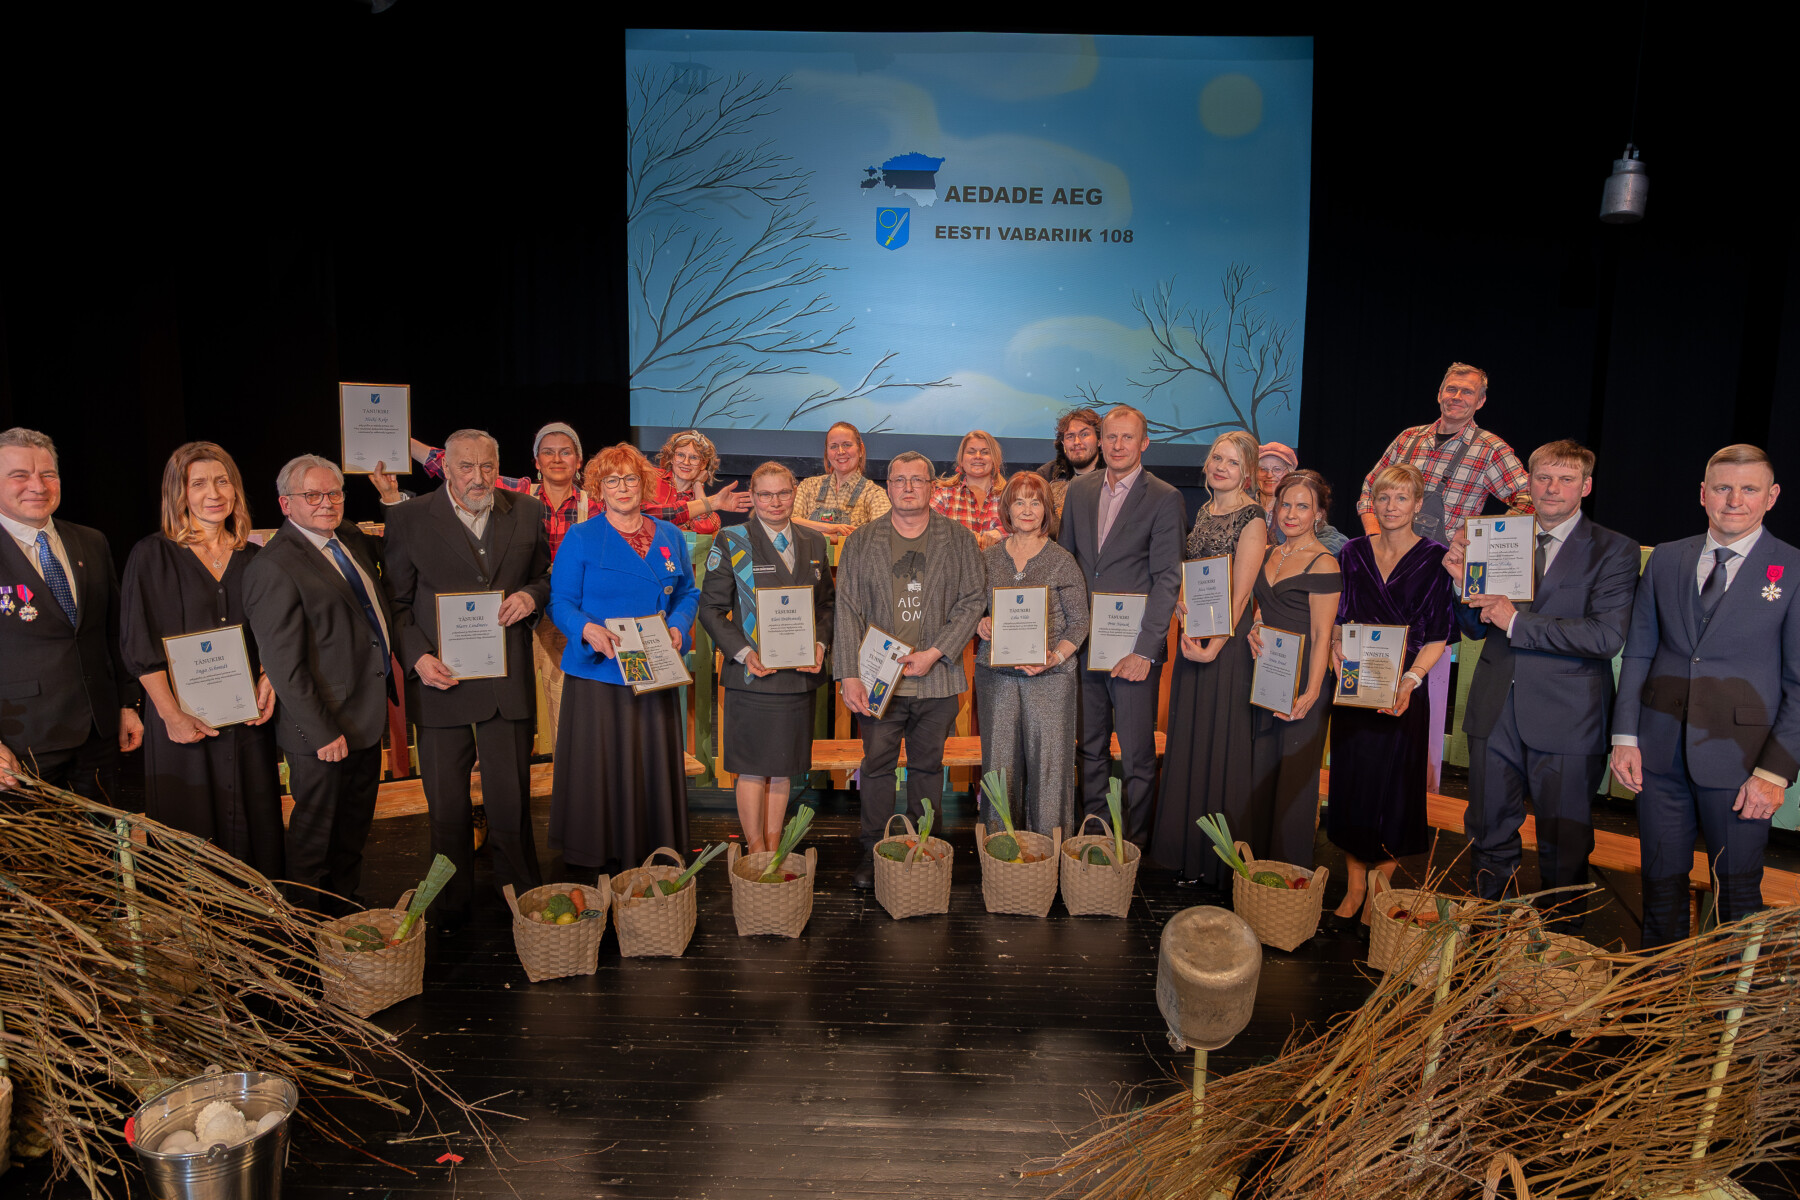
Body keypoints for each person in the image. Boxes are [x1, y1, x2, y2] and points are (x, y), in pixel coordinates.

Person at [1439, 441, 1639, 929]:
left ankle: (1558, 949)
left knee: (1564, 841)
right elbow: (1474, 627)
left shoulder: (1615, 549)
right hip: (1494, 709)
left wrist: (1516, 622)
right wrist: (1461, 583)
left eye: (1566, 479)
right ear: (1528, 482)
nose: (1553, 488)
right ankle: (1486, 935)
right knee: (1487, 830)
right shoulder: (1499, 536)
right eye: (1544, 477)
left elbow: (1606, 637)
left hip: (1568, 718)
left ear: (1585, 486)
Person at [1610, 444, 1800, 948]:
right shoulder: (1668, 558)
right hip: (1659, 755)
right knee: (1659, 881)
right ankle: (1655, 998)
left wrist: (1774, 772)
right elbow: (1639, 653)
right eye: (1722, 487)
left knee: (1737, 894)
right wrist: (1626, 736)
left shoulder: (1794, 569)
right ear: (1703, 494)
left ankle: (1727, 1015)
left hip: (1743, 766)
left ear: (1771, 496)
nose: (1734, 500)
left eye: (1749, 489)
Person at [384, 429, 552, 931]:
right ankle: (451, 907)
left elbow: (544, 576)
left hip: (505, 680)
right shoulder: (408, 519)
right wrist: (416, 659)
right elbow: (395, 604)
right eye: (466, 467)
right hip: (441, 681)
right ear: (445, 469)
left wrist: (531, 597)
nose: (478, 478)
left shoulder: (526, 510)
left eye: (487, 467)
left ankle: (526, 898)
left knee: (512, 801)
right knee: (447, 808)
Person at [1357, 362, 1533, 790]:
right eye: (1451, 389)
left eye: (1467, 392)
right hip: (1387, 568)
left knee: (1426, 673)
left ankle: (1419, 786)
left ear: (1481, 401)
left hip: (1436, 573)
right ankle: (1364, 769)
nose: (1457, 397)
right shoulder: (1409, 439)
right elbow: (1368, 491)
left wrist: (1473, 538)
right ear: (1439, 393)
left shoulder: (1490, 450)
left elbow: (1528, 500)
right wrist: (1381, 544)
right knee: (1372, 664)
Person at [119, 442, 283, 878]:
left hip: (248, 722)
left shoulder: (257, 558)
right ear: (179, 493)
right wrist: (171, 715)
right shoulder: (151, 556)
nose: (214, 492)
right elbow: (139, 644)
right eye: (199, 483)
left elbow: (275, 633)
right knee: (189, 838)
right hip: (180, 724)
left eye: (222, 480)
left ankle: (263, 930)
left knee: (256, 829)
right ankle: (200, 936)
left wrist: (269, 679)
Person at [243, 455, 395, 915]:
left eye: (335, 493)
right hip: (323, 728)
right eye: (314, 495)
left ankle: (344, 911)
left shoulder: (347, 537)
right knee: (315, 834)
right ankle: (305, 926)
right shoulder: (273, 566)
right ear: (286, 504)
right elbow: (283, 665)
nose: (327, 503)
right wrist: (321, 731)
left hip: (365, 714)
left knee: (352, 828)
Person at [379, 423, 596, 736]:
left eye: (566, 452)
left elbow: (653, 509)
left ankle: (569, 778)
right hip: (502, 622)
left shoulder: (596, 502)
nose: (557, 459)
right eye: (548, 452)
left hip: (558, 617)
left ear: (578, 459)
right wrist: (394, 436)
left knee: (564, 706)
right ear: (536, 461)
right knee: (492, 700)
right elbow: (457, 462)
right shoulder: (519, 491)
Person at [546, 443, 701, 875]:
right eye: (611, 480)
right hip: (602, 673)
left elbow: (688, 592)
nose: (622, 488)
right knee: (602, 767)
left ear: (644, 483)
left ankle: (653, 845)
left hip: (654, 668)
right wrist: (585, 629)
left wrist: (678, 625)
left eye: (630, 478)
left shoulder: (669, 535)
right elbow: (559, 602)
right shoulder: (581, 537)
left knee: (650, 761)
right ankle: (600, 850)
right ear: (598, 488)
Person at [834, 451, 986, 888]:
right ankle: (874, 853)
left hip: (935, 675)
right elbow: (846, 608)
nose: (907, 487)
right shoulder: (862, 540)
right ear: (887, 486)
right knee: (877, 767)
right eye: (899, 480)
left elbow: (973, 600)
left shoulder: (958, 539)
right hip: (877, 679)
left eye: (916, 480)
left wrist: (936, 651)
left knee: (927, 768)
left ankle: (924, 852)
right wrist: (848, 673)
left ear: (931, 487)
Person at [1326, 463, 1456, 926]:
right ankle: (1355, 885)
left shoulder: (1436, 557)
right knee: (1351, 785)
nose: (1391, 506)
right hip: (1357, 685)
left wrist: (1411, 680)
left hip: (1403, 689)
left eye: (1402, 498)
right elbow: (1338, 618)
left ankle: (1381, 885)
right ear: (1372, 503)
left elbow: (1440, 634)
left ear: (1418, 505)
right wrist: (1336, 650)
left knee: (1393, 791)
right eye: (1383, 498)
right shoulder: (1353, 552)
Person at [1057, 405, 1186, 847]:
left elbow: (1168, 578)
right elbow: (1068, 565)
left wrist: (1145, 651)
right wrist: (1067, 636)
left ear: (1143, 443)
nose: (1117, 445)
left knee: (1135, 755)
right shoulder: (1079, 491)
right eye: (1110, 437)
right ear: (1100, 441)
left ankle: (1135, 844)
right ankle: (1093, 834)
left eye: (1127, 438)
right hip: (1085, 645)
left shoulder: (1165, 497)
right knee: (1089, 748)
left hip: (1134, 650)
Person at [1150, 430, 1267, 888]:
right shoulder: (1203, 510)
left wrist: (1218, 642)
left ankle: (1216, 863)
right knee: (1193, 740)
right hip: (1195, 637)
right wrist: (1181, 601)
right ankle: (1187, 853)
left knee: (1220, 744)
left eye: (1233, 463)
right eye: (1217, 458)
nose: (1221, 467)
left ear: (1248, 473)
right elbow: (1198, 576)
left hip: (1226, 647)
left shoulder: (1252, 518)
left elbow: (1241, 594)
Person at [0, 427, 144, 798]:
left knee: (104, 851)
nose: (38, 485)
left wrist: (127, 704)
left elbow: (114, 633)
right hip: (21, 745)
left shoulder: (91, 541)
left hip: (99, 733)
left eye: (48, 474)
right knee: (36, 858)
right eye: (20, 475)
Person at [698, 461, 834, 851]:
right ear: (752, 499)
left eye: (783, 493)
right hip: (752, 676)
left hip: (798, 677)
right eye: (765, 494)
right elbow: (710, 609)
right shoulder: (732, 539)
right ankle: (756, 851)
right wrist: (742, 652)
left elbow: (826, 605)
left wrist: (820, 645)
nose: (775, 502)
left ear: (795, 494)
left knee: (784, 768)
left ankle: (775, 846)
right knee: (754, 770)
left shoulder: (813, 541)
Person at [973, 471, 1088, 838]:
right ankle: (1000, 852)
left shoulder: (1061, 560)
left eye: (1035, 502)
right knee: (999, 768)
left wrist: (1054, 657)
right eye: (1019, 501)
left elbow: (1079, 622)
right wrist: (981, 623)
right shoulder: (988, 559)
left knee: (1050, 770)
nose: (1027, 509)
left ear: (1046, 510)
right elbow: (971, 608)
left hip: (1051, 680)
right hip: (997, 678)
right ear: (1007, 508)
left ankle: (1048, 855)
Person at [1245, 469, 1342, 873]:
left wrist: (1313, 692)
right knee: (1259, 778)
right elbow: (1262, 608)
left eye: (1303, 506)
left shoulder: (1324, 562)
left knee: (1294, 786)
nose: (1291, 513)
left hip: (1304, 681)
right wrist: (1253, 626)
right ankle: (1252, 875)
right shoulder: (1269, 553)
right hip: (1266, 677)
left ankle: (1289, 881)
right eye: (1285, 504)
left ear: (1318, 514)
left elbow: (1323, 636)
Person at [791, 421, 891, 538]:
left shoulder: (874, 494)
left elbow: (883, 534)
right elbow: (790, 521)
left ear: (861, 449)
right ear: (827, 453)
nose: (840, 452)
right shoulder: (809, 486)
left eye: (847, 445)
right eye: (833, 446)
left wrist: (824, 535)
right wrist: (830, 528)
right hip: (812, 557)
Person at [643, 429, 752, 535]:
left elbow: (707, 528)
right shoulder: (649, 476)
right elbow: (640, 513)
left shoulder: (696, 497)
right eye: (680, 455)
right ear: (671, 458)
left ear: (703, 464)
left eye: (694, 457)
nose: (686, 462)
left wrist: (697, 484)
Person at [1257, 442, 1348, 554]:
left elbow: (1337, 541)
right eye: (1263, 469)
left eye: (1277, 469)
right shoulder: (1245, 504)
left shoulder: (1301, 504)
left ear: (1290, 474)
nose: (1269, 475)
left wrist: (1292, 555)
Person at [931, 429, 1007, 549]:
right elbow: (926, 532)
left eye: (985, 452)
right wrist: (962, 537)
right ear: (961, 460)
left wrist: (1001, 533)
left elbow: (1029, 529)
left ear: (995, 460)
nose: (978, 457)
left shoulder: (1009, 496)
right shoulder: (944, 496)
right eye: (971, 452)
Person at [1036, 405, 1102, 521]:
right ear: (1063, 443)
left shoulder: (1113, 477)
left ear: (1099, 440)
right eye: (1070, 436)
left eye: (1084, 434)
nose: (1077, 442)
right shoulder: (1046, 476)